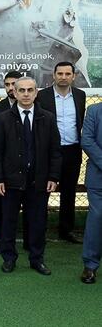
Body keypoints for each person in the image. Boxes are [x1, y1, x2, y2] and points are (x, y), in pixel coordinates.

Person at [0, 76, 61, 275]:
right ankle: (9, 258)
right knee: (8, 222)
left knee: (38, 222)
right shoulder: (3, 118)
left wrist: (53, 176)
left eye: (30, 90)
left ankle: (37, 259)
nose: (26, 94)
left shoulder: (47, 118)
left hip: (38, 180)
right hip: (10, 181)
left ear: (36, 93)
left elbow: (55, 151)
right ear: (14, 92)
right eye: (21, 90)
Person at [36, 62, 86, 244]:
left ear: (74, 76)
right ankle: (39, 230)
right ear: (54, 75)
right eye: (60, 73)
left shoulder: (80, 95)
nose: (63, 77)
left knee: (69, 192)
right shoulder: (42, 96)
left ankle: (66, 230)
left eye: (67, 74)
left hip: (72, 150)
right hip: (49, 152)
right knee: (43, 191)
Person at [0, 70, 23, 253]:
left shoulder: (35, 107)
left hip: (27, 165)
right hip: (4, 164)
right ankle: (0, 239)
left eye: (14, 84)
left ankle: (29, 241)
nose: (11, 88)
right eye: (7, 85)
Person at [80, 102, 102, 284]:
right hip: (98, 177)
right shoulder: (94, 111)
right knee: (97, 217)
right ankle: (90, 265)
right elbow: (87, 140)